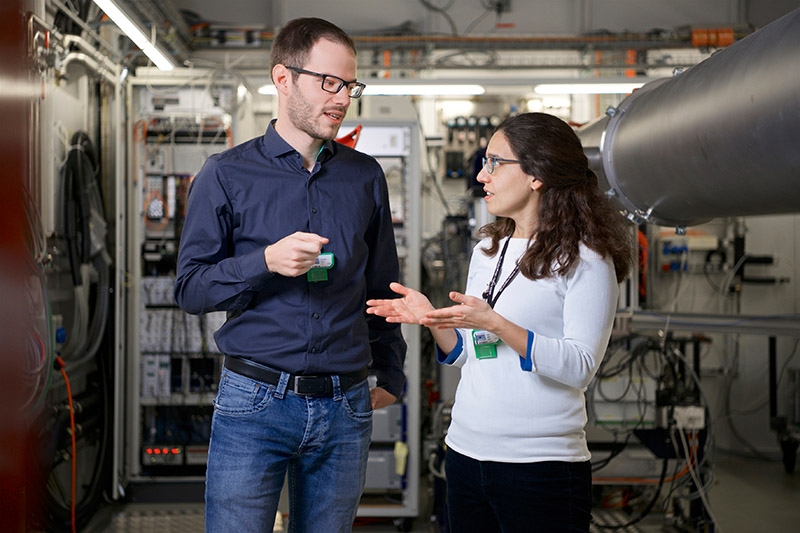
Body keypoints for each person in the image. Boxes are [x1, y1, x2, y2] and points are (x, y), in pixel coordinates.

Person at [174, 17, 407, 533]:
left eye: (349, 85)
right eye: (329, 82)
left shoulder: (365, 176)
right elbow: (190, 288)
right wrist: (264, 263)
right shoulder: (227, 174)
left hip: (346, 404)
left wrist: (391, 370)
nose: (342, 98)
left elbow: (382, 287)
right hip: (254, 400)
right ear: (283, 78)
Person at [367, 112, 634, 532]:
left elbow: (580, 367)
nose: (482, 174)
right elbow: (468, 354)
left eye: (495, 162)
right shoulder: (489, 249)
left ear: (536, 175)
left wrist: (497, 324)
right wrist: (432, 319)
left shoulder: (585, 258)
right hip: (466, 453)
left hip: (540, 465)